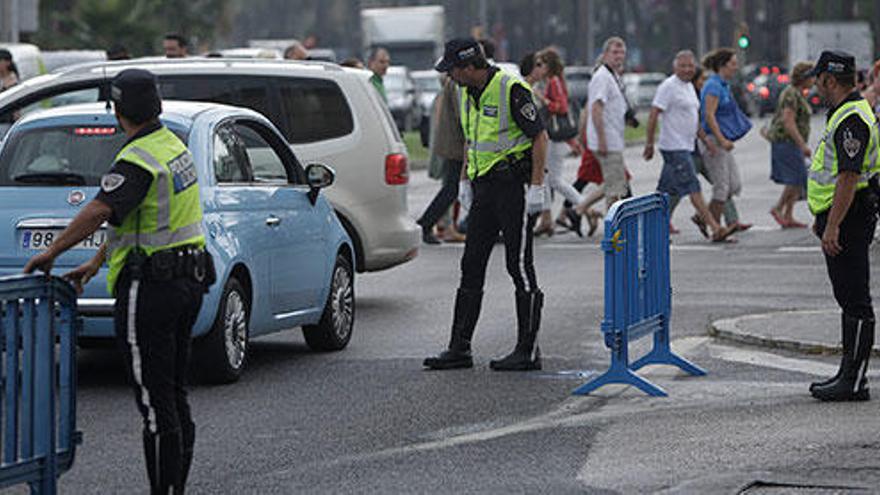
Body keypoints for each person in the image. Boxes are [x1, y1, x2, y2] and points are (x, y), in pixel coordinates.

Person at [24, 68, 212, 492]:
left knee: (154, 405)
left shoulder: (137, 159)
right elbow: (140, 221)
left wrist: (52, 251)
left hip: (152, 290)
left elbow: (101, 209)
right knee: (173, 396)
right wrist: (95, 263)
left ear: (117, 109)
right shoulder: (172, 146)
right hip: (188, 281)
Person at [424, 38, 548, 371]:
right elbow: (471, 139)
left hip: (514, 188)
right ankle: (459, 348)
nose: (449, 77)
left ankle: (528, 350)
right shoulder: (466, 93)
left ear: (468, 66)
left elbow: (539, 136)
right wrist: (464, 181)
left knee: (518, 266)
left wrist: (536, 186)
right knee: (471, 263)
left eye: (452, 70)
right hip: (482, 188)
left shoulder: (511, 87)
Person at [806, 51, 880, 402]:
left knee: (855, 300)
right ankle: (848, 373)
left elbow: (848, 177)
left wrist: (832, 225)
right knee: (848, 297)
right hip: (843, 215)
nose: (815, 85)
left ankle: (854, 380)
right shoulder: (849, 110)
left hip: (849, 218)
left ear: (829, 80)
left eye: (818, 79)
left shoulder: (851, 117)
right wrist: (822, 216)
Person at [643, 50, 735, 243]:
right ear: (674, 67)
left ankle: (653, 230)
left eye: (690, 66)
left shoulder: (688, 88)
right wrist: (649, 143)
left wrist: (705, 139)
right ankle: (715, 227)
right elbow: (653, 115)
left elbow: (692, 120)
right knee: (693, 187)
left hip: (686, 145)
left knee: (667, 191)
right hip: (673, 147)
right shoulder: (668, 86)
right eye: (682, 66)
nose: (687, 70)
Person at [532, 48, 585, 237]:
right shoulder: (555, 80)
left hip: (555, 137)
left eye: (541, 64)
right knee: (545, 178)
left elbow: (561, 107)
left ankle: (585, 208)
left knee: (553, 179)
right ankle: (546, 220)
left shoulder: (553, 81)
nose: (538, 68)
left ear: (548, 65)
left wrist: (542, 99)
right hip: (555, 138)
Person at [699, 48, 752, 232]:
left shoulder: (723, 85)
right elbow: (709, 115)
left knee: (734, 185)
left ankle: (702, 216)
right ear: (722, 66)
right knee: (721, 187)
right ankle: (715, 229)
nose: (736, 68)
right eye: (733, 64)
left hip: (722, 139)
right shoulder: (713, 86)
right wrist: (721, 140)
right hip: (714, 140)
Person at [416, 73, 466, 244]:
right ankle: (426, 223)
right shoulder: (456, 85)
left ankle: (429, 223)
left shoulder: (450, 86)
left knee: (452, 189)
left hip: (454, 145)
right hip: (457, 146)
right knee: (451, 189)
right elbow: (463, 117)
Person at [766, 62, 815, 229]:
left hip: (791, 142)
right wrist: (802, 145)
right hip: (787, 141)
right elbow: (788, 121)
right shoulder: (791, 94)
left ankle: (788, 214)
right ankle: (778, 208)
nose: (814, 80)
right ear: (804, 77)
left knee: (797, 178)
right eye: (812, 76)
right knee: (796, 177)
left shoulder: (798, 94)